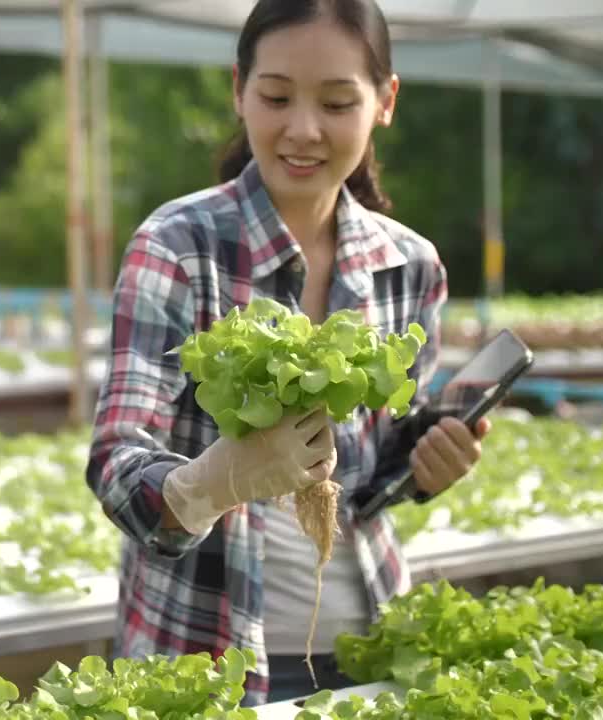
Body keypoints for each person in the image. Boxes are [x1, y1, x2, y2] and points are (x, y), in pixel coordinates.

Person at [84, 0, 492, 706]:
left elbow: (371, 473)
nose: (303, 130)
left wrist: (424, 467)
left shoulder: (411, 266)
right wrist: (213, 482)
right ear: (238, 89)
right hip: (201, 657)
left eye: (337, 102)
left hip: (368, 643)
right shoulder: (177, 247)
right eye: (276, 97)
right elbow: (118, 463)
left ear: (385, 102)